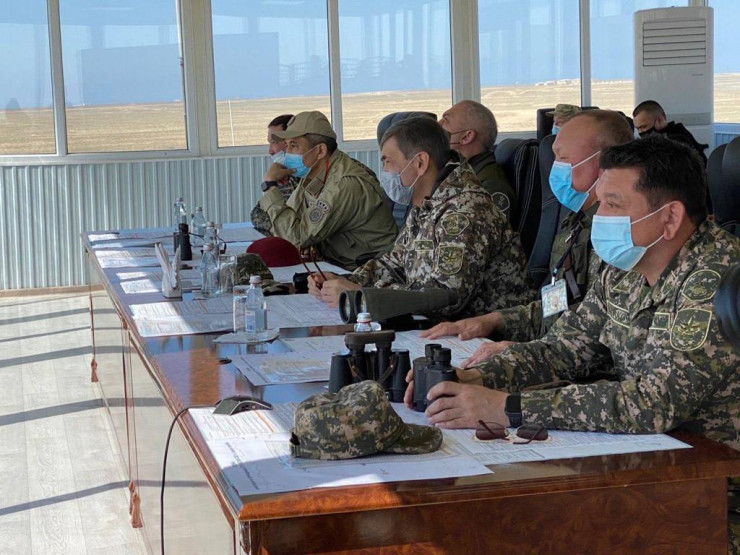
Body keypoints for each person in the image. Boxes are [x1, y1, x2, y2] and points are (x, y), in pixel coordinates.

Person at [413, 136, 739, 457]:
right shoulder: (625, 266)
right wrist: (476, 377)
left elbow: (655, 402)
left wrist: (507, 407)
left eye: (613, 205)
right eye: (600, 203)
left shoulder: (718, 279)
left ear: (670, 217)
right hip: (652, 450)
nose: (599, 216)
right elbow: (565, 348)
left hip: (714, 465)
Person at [422, 110, 634, 365]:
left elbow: (599, 338)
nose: (555, 167)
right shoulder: (575, 223)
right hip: (555, 354)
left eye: (563, 158)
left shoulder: (618, 236)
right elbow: (557, 306)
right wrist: (493, 321)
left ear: (602, 163)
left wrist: (528, 354)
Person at [308, 117, 534, 319]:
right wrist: (342, 282)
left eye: (388, 161)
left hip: (485, 336)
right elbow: (396, 264)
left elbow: (446, 298)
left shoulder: (464, 210)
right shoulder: (426, 202)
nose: (384, 170)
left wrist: (363, 295)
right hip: (442, 328)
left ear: (420, 163)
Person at [258, 111, 397, 270]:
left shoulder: (344, 184)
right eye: (286, 145)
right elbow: (285, 229)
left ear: (320, 151)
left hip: (368, 271)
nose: (287, 153)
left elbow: (294, 238)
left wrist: (270, 187)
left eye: (294, 145)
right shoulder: (313, 173)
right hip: (335, 265)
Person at [438, 101, 516, 224]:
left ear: (466, 137)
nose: (439, 124)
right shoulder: (460, 172)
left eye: (445, 120)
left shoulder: (489, 186)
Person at [251, 115, 300, 234]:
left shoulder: (309, 175)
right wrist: (275, 228)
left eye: (274, 142)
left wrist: (269, 184)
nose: (270, 151)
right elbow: (257, 214)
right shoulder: (283, 175)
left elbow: (294, 226)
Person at [632, 100, 708, 165]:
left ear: (659, 120)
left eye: (643, 127)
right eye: (638, 128)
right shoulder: (676, 132)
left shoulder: (677, 141)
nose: (640, 132)